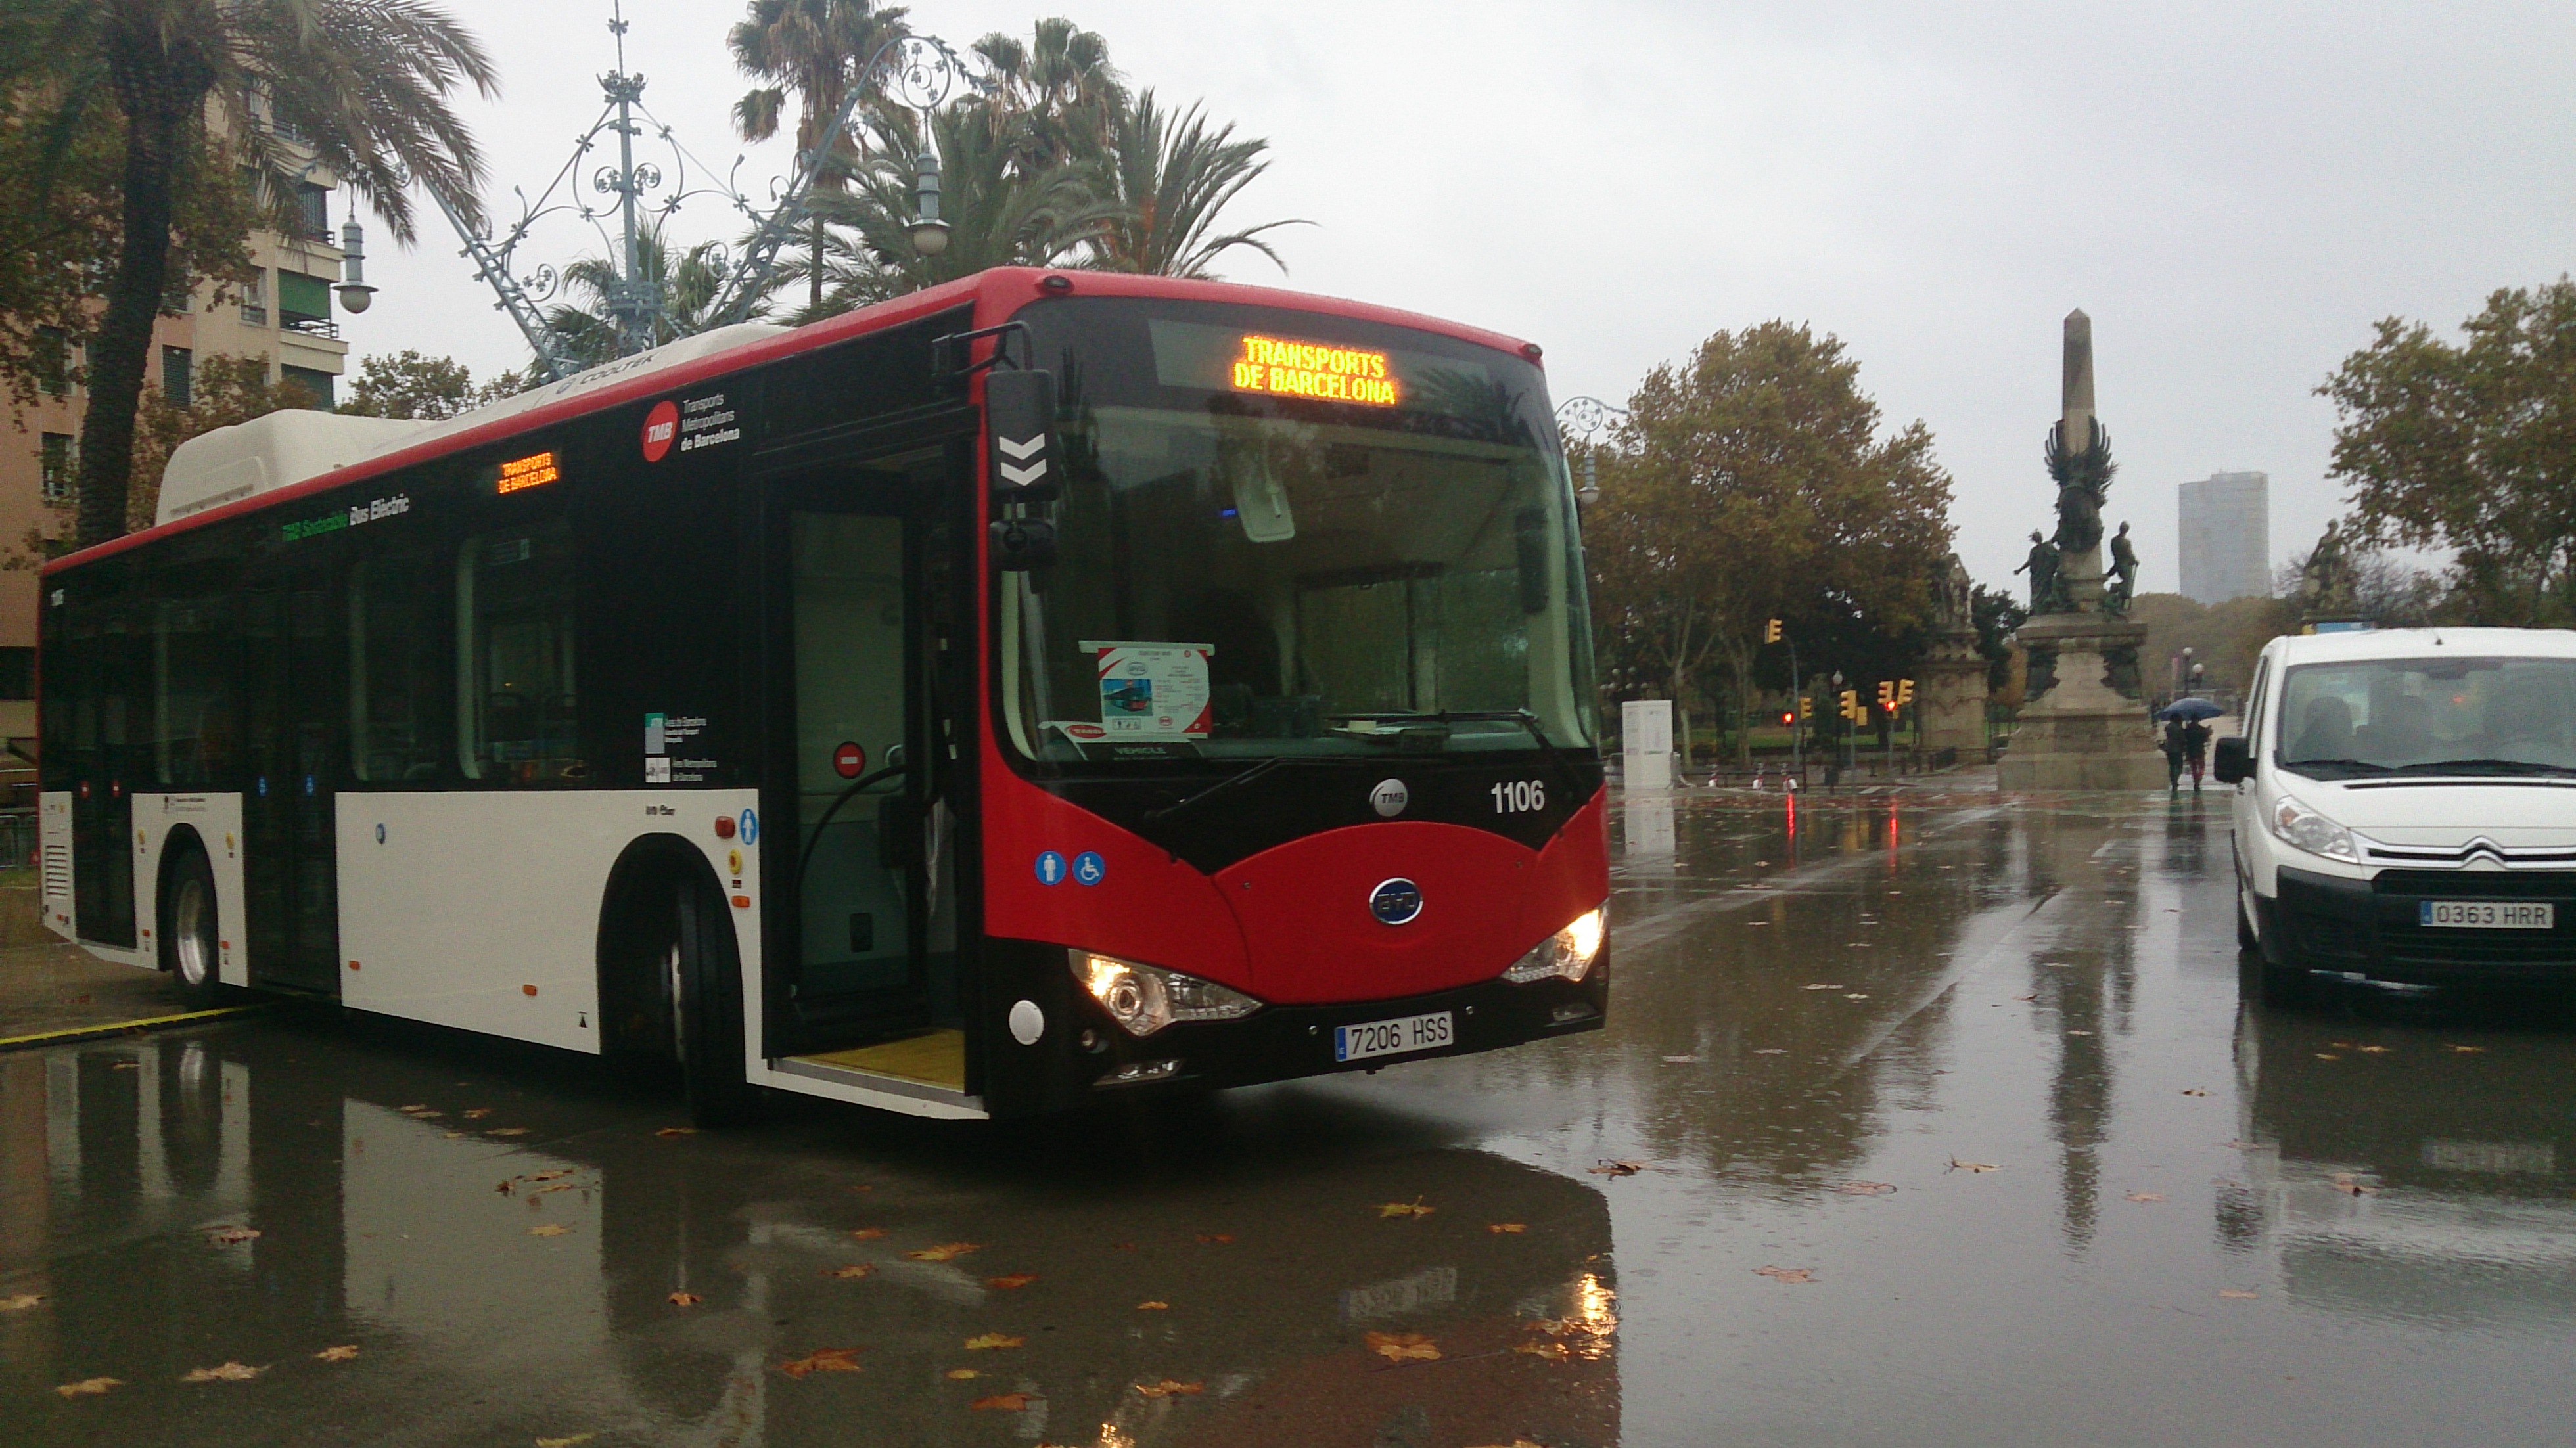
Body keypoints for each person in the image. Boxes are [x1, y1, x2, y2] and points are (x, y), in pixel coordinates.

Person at [2183, 717, 2212, 790]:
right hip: (2200, 750)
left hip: (2190, 750)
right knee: (2202, 765)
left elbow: (2184, 739)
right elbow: (2205, 739)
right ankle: (2199, 778)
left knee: (2193, 766)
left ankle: (2196, 779)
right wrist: (2208, 732)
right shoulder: (2202, 729)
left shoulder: (2187, 730)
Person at [2161, 715, 2188, 792]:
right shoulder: (2179, 729)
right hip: (2177, 750)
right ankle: (2176, 780)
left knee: (2172, 766)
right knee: (2179, 766)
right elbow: (2182, 739)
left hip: (2169, 749)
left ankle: (2173, 782)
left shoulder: (2167, 727)